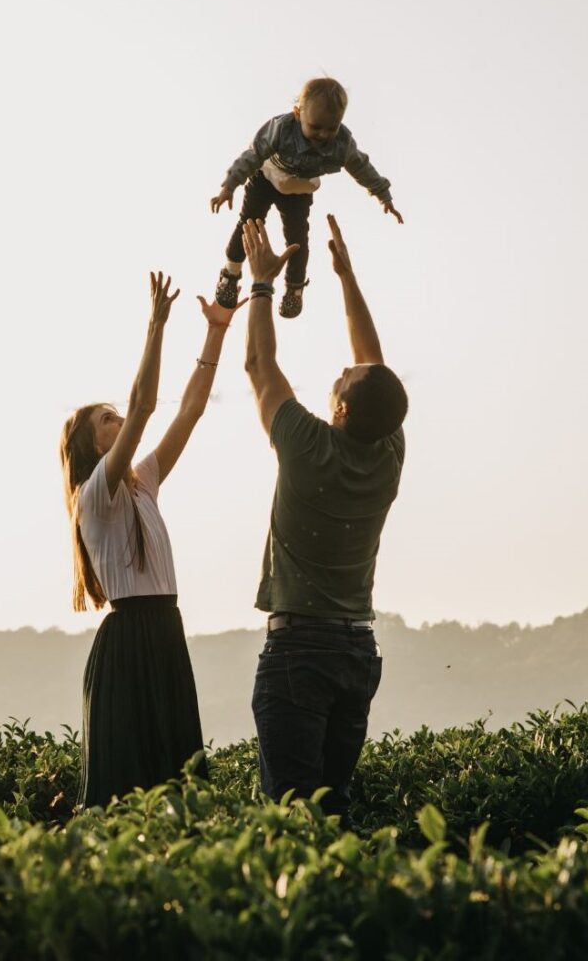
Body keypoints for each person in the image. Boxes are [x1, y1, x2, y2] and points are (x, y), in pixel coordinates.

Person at [241, 214, 408, 822]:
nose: (341, 368)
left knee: (289, 818)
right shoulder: (388, 450)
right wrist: (346, 277)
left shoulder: (308, 446)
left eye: (341, 378)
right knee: (333, 813)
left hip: (301, 650)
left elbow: (260, 367)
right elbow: (376, 370)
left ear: (338, 409)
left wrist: (261, 285)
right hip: (356, 652)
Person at [59, 272, 239, 808]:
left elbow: (190, 410)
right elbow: (145, 406)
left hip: (164, 632)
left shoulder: (143, 484)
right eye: (106, 420)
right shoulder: (95, 494)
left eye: (116, 416)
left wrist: (216, 332)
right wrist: (156, 327)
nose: (120, 422)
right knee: (128, 794)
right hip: (129, 643)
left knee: (179, 787)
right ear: (91, 444)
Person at [210, 77, 403, 319]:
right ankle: (231, 272)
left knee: (297, 238)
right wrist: (229, 186)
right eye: (315, 127)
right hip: (267, 177)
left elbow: (362, 168)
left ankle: (295, 288)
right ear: (298, 113)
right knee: (250, 222)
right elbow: (253, 154)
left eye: (331, 129)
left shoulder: (342, 144)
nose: (323, 135)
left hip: (299, 190)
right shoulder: (281, 128)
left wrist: (383, 196)